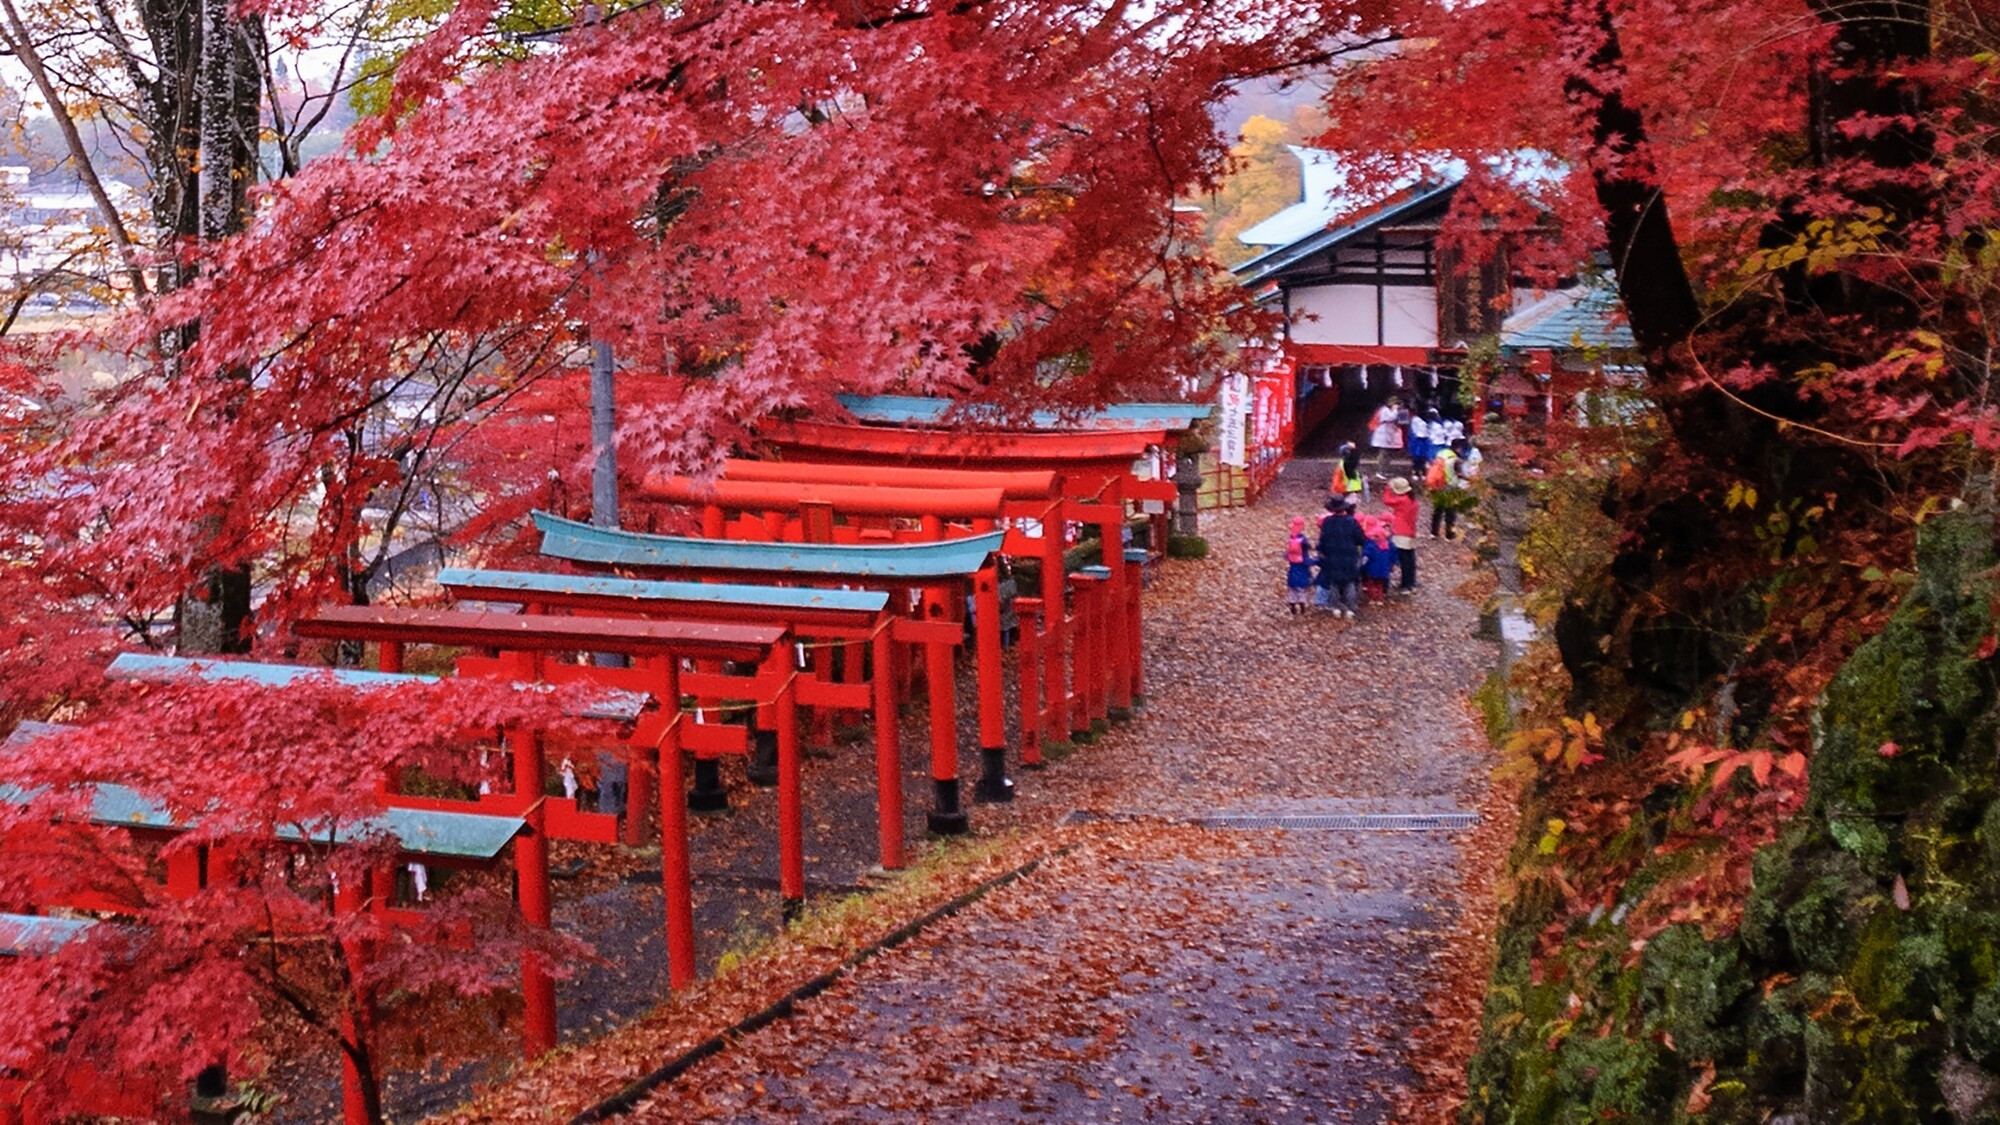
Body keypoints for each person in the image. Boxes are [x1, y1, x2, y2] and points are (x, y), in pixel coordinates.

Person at [1316, 496, 1366, 619]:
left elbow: (1322, 540)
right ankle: (1350, 607)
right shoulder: (1351, 521)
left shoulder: (1327, 522)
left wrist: (1322, 553)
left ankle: (1335, 607)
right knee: (1350, 581)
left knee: (1334, 582)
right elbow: (1360, 539)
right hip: (1349, 555)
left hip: (1332, 556)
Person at [1381, 476, 1421, 592]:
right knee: (1410, 560)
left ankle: (1405, 585)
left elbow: (1387, 500)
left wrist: (1388, 489)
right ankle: (1411, 583)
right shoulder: (1413, 501)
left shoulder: (1402, 500)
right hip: (1411, 531)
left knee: (1403, 560)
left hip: (1400, 532)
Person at [1428, 439, 1464, 539]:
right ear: (1458, 448)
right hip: (1450, 488)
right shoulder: (1455, 459)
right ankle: (1449, 534)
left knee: (1437, 510)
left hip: (1438, 486)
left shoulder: (1441, 453)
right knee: (1450, 512)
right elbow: (1459, 474)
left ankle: (1433, 532)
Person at [1359, 512, 1395, 605]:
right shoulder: (1388, 545)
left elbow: (1366, 557)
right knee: (1380, 585)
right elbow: (1393, 555)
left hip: (1372, 570)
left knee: (1372, 584)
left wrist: (1362, 565)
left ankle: (1372, 598)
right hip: (1384, 570)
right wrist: (1393, 563)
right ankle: (1379, 598)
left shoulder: (1371, 546)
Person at [1283, 515, 1316, 616]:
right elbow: (1308, 557)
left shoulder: (1291, 539)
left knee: (1292, 589)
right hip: (1303, 574)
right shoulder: (1303, 542)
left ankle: (1292, 604)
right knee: (1302, 590)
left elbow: (1285, 555)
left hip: (1292, 573)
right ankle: (1302, 607)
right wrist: (1316, 561)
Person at [1369, 398, 1404, 470]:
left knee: (1387, 453)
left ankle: (1385, 468)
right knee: (1383, 453)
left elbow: (1400, 420)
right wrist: (1395, 410)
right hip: (1383, 433)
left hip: (1388, 433)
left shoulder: (1389, 410)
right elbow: (1390, 417)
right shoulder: (1384, 410)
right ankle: (1381, 470)